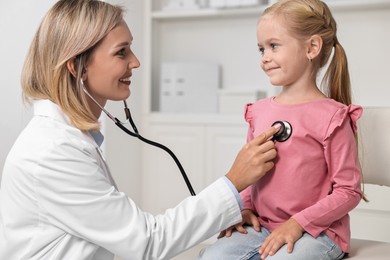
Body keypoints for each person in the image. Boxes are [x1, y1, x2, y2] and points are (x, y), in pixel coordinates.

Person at [0, 0, 280, 259]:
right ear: (77, 66)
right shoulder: (52, 152)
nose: (135, 62)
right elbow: (147, 240)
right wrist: (233, 182)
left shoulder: (69, 139)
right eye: (122, 52)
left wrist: (226, 210)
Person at [197, 0, 364, 259]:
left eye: (273, 46)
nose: (265, 57)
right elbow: (253, 174)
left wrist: (298, 223)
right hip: (262, 227)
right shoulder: (260, 112)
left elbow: (348, 191)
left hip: (317, 233)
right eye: (261, 48)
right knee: (212, 257)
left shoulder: (333, 117)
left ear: (312, 47)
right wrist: (245, 209)